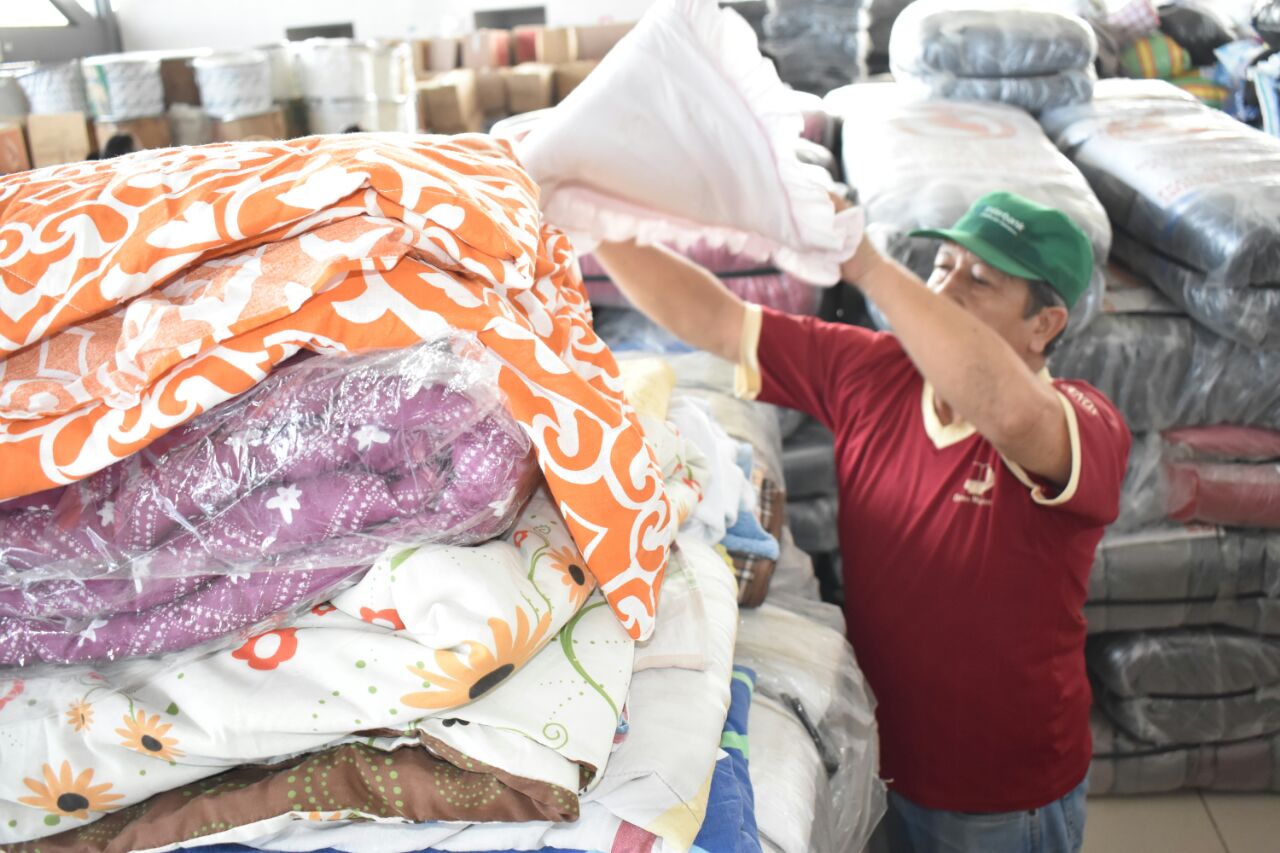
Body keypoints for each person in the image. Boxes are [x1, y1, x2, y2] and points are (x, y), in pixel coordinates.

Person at [593, 191, 1131, 853]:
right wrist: (595, 223)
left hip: (1000, 791)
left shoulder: (1082, 423)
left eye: (980, 280)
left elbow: (1012, 414)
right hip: (885, 755)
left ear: (1044, 324)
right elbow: (719, 321)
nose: (943, 289)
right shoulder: (873, 371)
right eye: (942, 266)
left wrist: (871, 268)